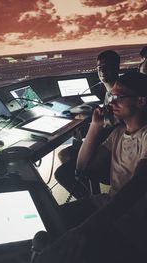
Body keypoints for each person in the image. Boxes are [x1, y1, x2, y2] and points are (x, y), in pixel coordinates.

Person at [39, 72, 147, 262]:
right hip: (111, 204)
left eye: (118, 97)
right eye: (111, 97)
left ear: (141, 101)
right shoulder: (120, 132)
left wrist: (86, 229)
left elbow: (138, 185)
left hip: (139, 221)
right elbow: (82, 168)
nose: (111, 103)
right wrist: (95, 127)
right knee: (52, 219)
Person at [56, 50, 120, 189]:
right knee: (65, 153)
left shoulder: (119, 94)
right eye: (99, 67)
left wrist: (92, 127)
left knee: (63, 164)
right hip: (106, 141)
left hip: (111, 149)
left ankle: (86, 193)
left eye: (106, 66)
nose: (102, 70)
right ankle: (87, 189)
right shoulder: (110, 92)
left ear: (116, 68)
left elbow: (114, 127)